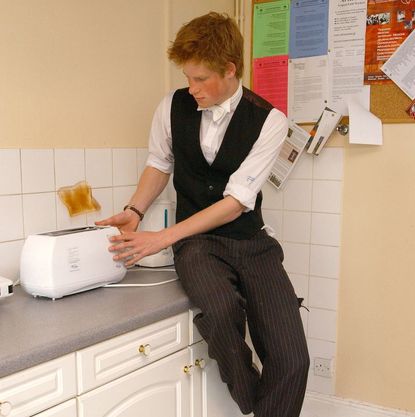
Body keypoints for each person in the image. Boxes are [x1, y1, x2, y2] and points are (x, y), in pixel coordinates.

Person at [97, 12, 309, 417]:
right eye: (187, 78)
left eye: (200, 79)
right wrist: (134, 210)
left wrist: (163, 236)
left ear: (230, 69)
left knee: (293, 358)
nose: (191, 88)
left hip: (251, 241)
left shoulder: (270, 121)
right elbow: (159, 163)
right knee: (222, 310)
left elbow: (235, 202)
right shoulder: (172, 106)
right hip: (198, 246)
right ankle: (255, 402)